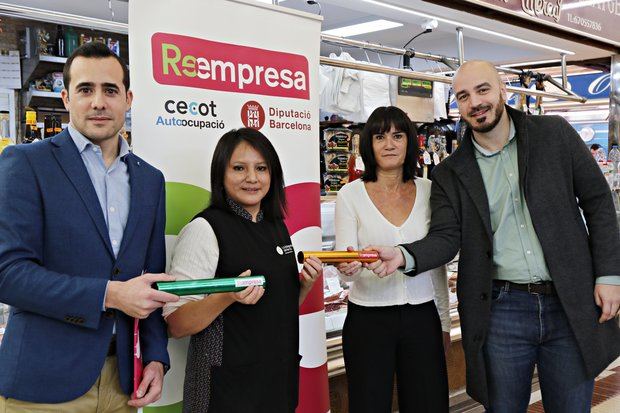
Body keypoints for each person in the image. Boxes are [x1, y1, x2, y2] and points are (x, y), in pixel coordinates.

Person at [366, 61, 620, 413]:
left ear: (502, 90)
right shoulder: (450, 173)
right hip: (501, 310)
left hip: (569, 301)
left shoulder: (554, 135)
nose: (475, 103)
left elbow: (598, 202)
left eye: (483, 90)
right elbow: (446, 236)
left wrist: (609, 275)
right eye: (464, 96)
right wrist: (403, 255)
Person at [0, 42, 179, 412]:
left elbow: (151, 281)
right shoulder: (26, 163)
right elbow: (8, 274)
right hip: (43, 386)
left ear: (128, 99)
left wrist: (157, 358)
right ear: (66, 98)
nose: (99, 102)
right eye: (86, 89)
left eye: (110, 90)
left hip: (123, 383)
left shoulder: (150, 181)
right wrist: (110, 295)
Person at [164, 128, 322, 413]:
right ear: (220, 175)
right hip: (225, 389)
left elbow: (276, 307)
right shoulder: (205, 229)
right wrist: (227, 295)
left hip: (276, 382)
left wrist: (304, 286)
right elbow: (175, 323)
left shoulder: (275, 225)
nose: (252, 178)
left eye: (261, 168)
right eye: (239, 168)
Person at [335, 106, 450, 413]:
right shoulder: (350, 195)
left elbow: (438, 256)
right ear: (368, 145)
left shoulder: (429, 190)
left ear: (410, 142)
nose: (389, 144)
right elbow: (346, 269)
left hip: (421, 317)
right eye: (380, 136)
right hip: (367, 320)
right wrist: (348, 267)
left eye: (398, 135)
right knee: (369, 404)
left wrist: (444, 322)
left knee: (428, 404)